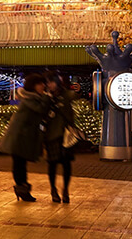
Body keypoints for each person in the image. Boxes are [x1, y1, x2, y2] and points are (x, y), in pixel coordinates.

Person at [0, 72, 49, 201]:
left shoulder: (33, 98)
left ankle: (22, 190)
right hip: (19, 138)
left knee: (20, 164)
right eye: (40, 83)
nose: (43, 86)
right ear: (33, 86)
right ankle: (22, 190)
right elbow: (42, 110)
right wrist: (47, 97)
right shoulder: (30, 100)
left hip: (22, 137)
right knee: (19, 165)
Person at [43, 72, 76, 203]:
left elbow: (71, 112)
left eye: (51, 82)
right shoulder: (46, 98)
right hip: (51, 136)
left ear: (57, 82)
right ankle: (53, 189)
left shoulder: (66, 95)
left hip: (66, 136)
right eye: (48, 82)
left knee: (66, 165)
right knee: (52, 165)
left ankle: (65, 190)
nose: (49, 85)